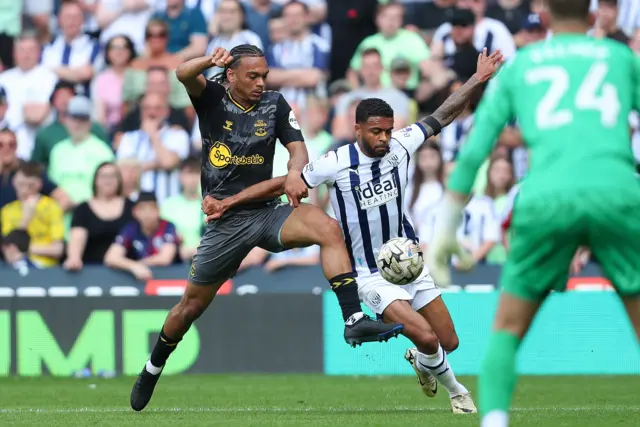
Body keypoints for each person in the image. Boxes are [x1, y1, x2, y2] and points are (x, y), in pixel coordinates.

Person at [201, 48, 504, 414]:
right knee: (425, 335)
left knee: (447, 341)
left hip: (407, 262)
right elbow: (285, 182)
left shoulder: (403, 144)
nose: (384, 139)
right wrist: (228, 204)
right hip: (367, 273)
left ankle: (423, 363)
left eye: (388, 131)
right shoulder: (335, 161)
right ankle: (458, 394)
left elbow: (443, 113)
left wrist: (477, 79)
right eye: (376, 131)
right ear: (357, 129)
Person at [129, 44, 404, 412]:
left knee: (328, 229)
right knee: (190, 307)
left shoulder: (275, 104)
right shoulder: (211, 95)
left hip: (268, 211)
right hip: (224, 223)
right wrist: (210, 59)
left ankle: (353, 319)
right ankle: (153, 366)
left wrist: (294, 172)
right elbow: (181, 73)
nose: (261, 83)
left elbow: (299, 150)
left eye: (264, 76)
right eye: (253, 76)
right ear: (231, 75)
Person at [426, 1, 640, 426]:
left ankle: (495, 420)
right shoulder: (620, 58)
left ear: (543, 18)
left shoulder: (522, 67)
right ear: (594, 16)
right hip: (617, 194)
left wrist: (446, 226)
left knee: (507, 330)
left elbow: (474, 150)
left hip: (545, 198)